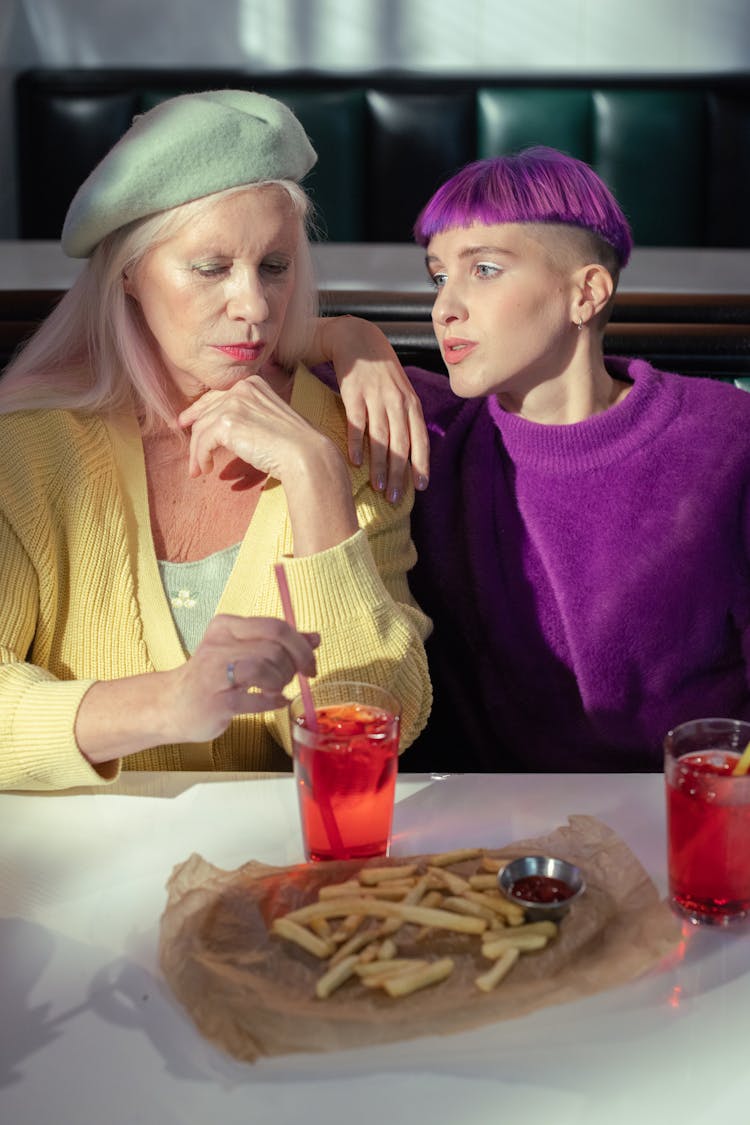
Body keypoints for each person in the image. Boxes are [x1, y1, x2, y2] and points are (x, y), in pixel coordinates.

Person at [0, 89, 431, 791]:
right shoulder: (28, 451)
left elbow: (386, 719)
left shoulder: (346, 437)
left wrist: (315, 477)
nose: (254, 307)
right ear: (130, 273)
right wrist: (169, 701)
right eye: (211, 269)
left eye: (275, 266)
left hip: (276, 879)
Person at [390, 145, 750, 773]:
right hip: (483, 835)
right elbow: (265, 352)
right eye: (439, 275)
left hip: (682, 819)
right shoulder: (425, 425)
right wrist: (349, 338)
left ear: (586, 293)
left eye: (484, 270)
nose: (445, 307)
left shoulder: (725, 438)